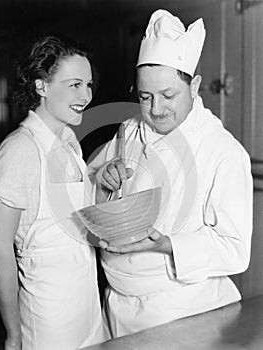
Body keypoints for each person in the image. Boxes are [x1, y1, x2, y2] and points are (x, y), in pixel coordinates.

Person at [88, 10, 253, 338]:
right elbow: (92, 176)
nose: (155, 109)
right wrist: (103, 177)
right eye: (145, 96)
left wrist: (166, 244)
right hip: (117, 303)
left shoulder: (222, 151)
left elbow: (235, 250)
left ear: (194, 86)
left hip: (181, 311)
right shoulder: (129, 128)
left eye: (168, 95)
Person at [0, 34, 108, 350]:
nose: (86, 95)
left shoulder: (68, 140)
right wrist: (13, 333)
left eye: (89, 85)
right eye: (75, 85)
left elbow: (74, 220)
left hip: (87, 303)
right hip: (48, 314)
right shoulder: (19, 150)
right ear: (42, 86)